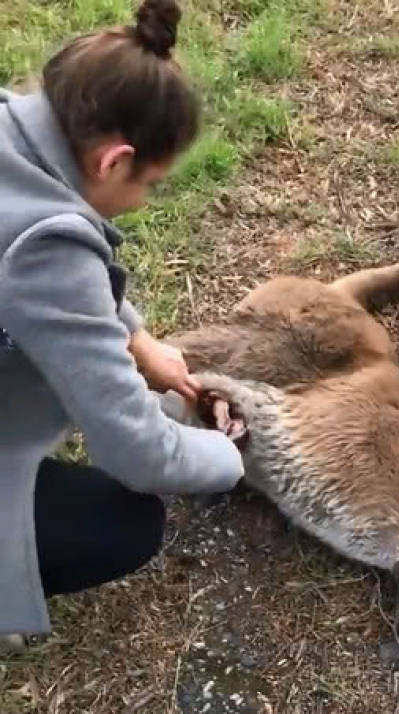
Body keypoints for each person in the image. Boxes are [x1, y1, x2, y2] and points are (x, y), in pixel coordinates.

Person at [0, 0, 246, 647]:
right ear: (113, 161)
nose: (142, 202)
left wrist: (137, 341)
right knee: (123, 526)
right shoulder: (49, 247)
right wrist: (227, 458)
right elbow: (135, 453)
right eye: (152, 184)